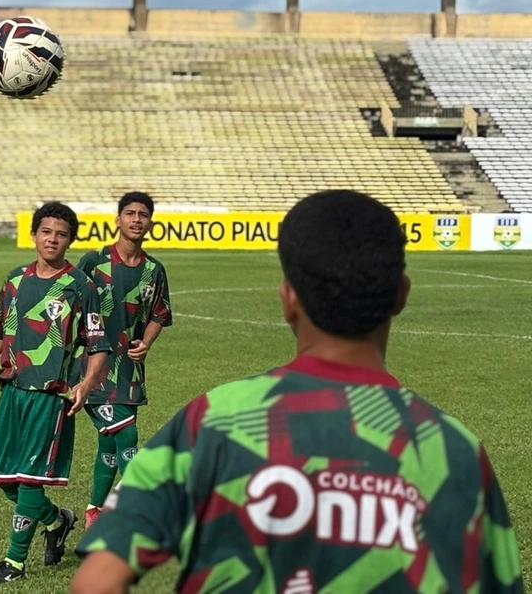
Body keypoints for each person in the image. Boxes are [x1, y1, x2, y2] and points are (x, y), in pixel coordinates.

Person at [71, 190, 524, 594]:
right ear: (401, 295)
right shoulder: (454, 452)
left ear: (287, 300)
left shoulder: (212, 422)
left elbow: (96, 581)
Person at [0, 201, 112, 584]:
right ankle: (57, 520)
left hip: (51, 396)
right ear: (33, 235)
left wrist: (85, 385)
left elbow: (99, 346)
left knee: (30, 479)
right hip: (12, 392)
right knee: (4, 478)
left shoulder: (81, 286)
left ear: (70, 241)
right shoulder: (15, 280)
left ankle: (14, 563)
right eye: (46, 232)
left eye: (61, 235)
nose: (52, 240)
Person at [75, 191, 172, 529]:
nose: (136, 220)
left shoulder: (154, 270)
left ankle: (94, 510)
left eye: (143, 215)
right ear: (118, 220)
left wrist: (146, 342)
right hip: (94, 368)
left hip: (129, 369)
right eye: (130, 213)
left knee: (110, 442)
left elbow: (160, 313)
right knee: (127, 435)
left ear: (150, 223)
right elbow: (72, 303)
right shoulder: (94, 262)